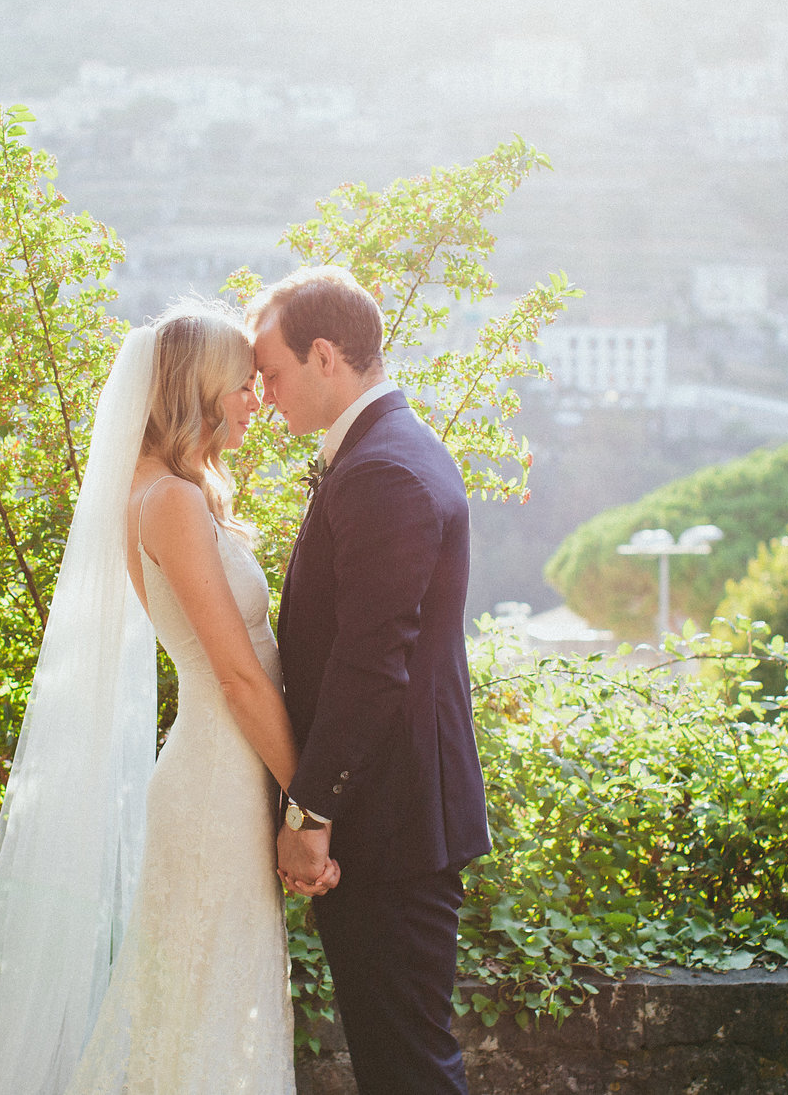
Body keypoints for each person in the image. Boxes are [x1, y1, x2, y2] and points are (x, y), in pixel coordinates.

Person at [0, 298, 327, 1095]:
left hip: (219, 771)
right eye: (244, 384)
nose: (257, 399)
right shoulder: (171, 502)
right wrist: (311, 802)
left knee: (196, 1011)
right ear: (202, 390)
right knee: (204, 1013)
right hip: (218, 779)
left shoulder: (161, 491)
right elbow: (238, 676)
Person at [249, 266, 490, 1095]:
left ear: (324, 356)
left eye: (272, 374)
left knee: (410, 1068)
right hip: (389, 815)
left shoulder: (384, 470)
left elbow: (369, 666)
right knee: (402, 1061)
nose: (266, 396)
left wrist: (310, 810)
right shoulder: (384, 451)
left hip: (388, 823)